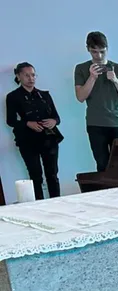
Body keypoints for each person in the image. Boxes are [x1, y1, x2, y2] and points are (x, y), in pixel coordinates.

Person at [74, 31, 118, 173]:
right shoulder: (81, 68)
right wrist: (92, 77)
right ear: (88, 49)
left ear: (107, 49)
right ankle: (105, 194)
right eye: (94, 52)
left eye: (102, 52)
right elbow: (80, 97)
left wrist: (115, 80)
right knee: (102, 165)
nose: (98, 56)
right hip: (95, 123)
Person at [6, 62, 62, 199]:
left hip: (49, 138)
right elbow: (11, 121)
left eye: (33, 75)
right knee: (35, 175)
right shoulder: (13, 97)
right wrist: (27, 123)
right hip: (27, 140)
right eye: (26, 75)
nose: (31, 78)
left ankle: (57, 201)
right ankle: (38, 203)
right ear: (18, 76)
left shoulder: (44, 95)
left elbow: (56, 117)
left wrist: (53, 121)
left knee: (52, 174)